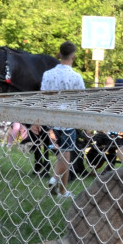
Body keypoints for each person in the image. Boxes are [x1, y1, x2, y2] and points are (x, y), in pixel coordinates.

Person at [40, 41, 85, 196]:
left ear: (59, 54)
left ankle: (63, 190)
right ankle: (54, 178)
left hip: (51, 118)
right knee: (66, 155)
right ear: (73, 56)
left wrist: (37, 120)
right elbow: (82, 101)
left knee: (64, 154)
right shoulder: (76, 77)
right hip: (68, 120)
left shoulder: (47, 74)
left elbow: (42, 97)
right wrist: (85, 124)